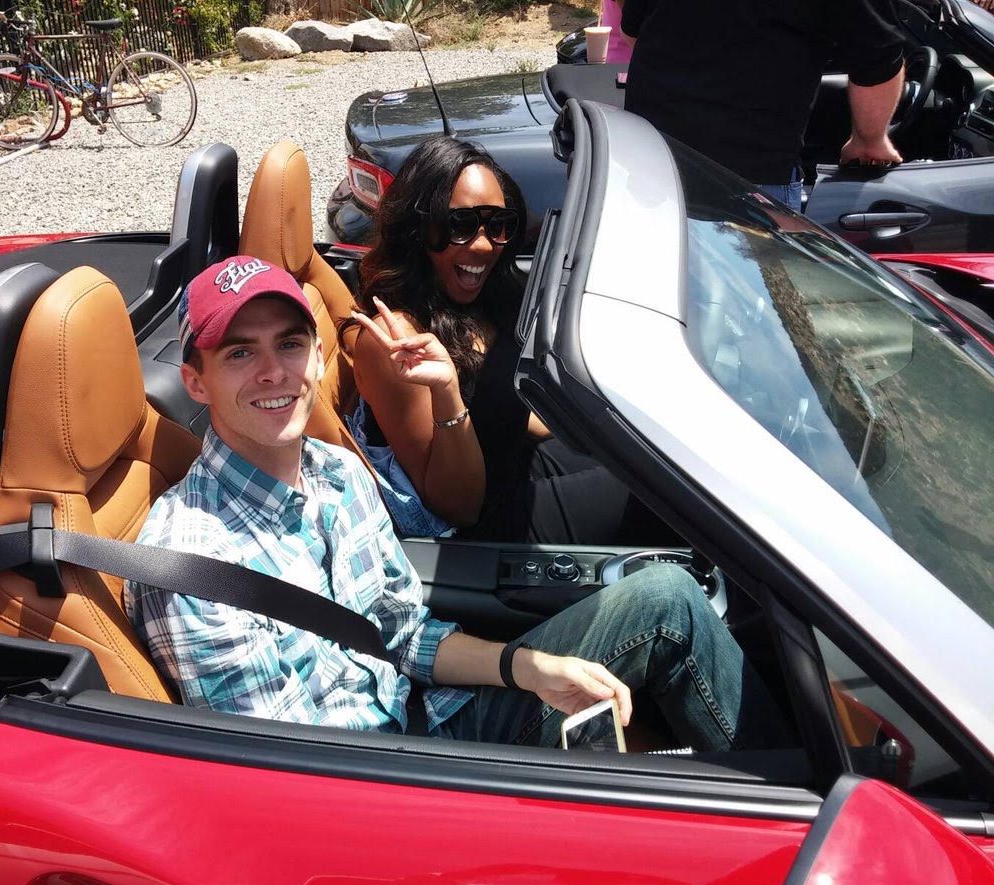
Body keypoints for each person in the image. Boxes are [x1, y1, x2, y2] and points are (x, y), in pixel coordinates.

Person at [125, 254, 787, 753]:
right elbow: (293, 776)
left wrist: (526, 669)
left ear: (319, 358)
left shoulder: (335, 473)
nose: (274, 372)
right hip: (397, 793)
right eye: (240, 352)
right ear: (196, 382)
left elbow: (401, 632)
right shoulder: (195, 565)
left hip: (430, 717)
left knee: (666, 598)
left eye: (289, 344)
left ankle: (801, 801)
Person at [347, 136, 663, 545]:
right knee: (656, 500)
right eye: (460, 225)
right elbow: (457, 506)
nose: (483, 245)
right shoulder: (398, 341)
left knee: (654, 465)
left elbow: (506, 409)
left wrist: (596, 433)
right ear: (418, 228)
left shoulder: (483, 298)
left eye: (498, 225)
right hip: (482, 528)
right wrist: (446, 390)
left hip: (516, 462)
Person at [620, 0, 906, 207]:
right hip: (750, 177)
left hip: (649, 159)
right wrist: (869, 140)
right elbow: (878, 60)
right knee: (752, 276)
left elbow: (634, 29)